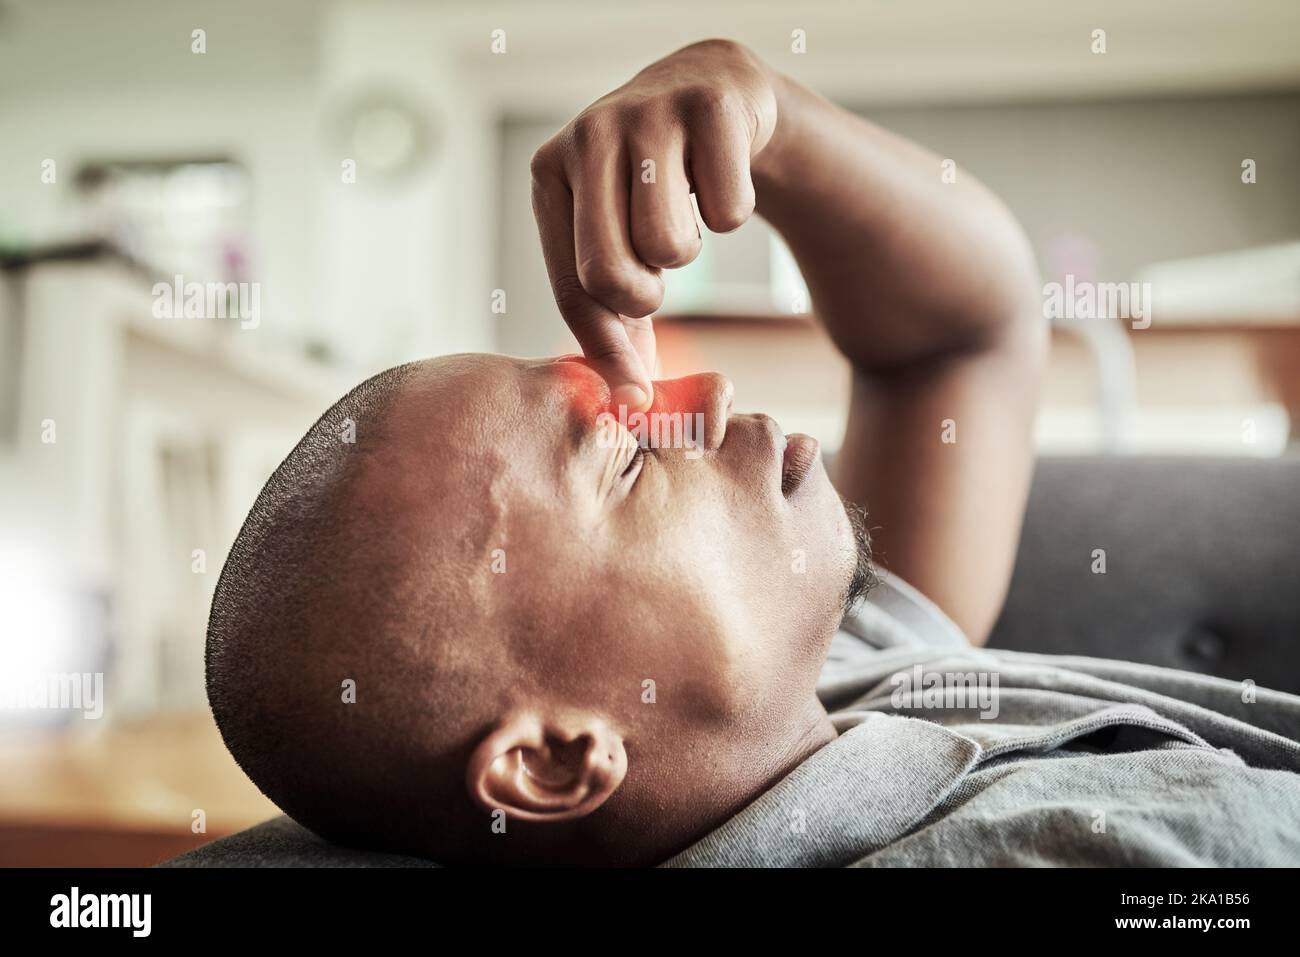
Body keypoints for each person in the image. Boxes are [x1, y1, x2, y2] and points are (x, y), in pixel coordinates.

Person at [206, 39, 1300, 866]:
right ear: (552, 759)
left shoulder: (831, 678)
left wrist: (771, 116)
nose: (704, 395)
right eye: (625, 460)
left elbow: (958, 340)